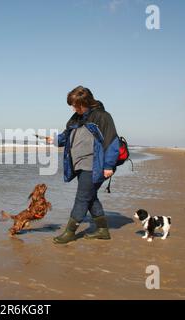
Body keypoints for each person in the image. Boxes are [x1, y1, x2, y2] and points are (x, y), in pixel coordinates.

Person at [46, 86, 120, 244]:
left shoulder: (102, 117)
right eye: (72, 105)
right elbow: (67, 136)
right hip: (79, 165)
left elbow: (112, 142)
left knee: (82, 198)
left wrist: (108, 166)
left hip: (95, 165)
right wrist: (55, 140)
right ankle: (103, 230)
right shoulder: (76, 118)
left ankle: (70, 232)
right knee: (90, 197)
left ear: (84, 102)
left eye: (75, 105)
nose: (73, 108)